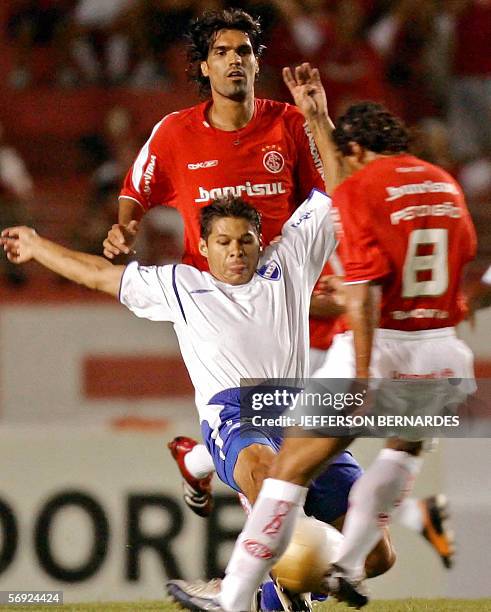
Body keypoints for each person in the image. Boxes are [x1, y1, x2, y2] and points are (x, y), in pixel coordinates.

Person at [3, 190, 393, 611]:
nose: (236, 252)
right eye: (223, 243)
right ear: (204, 248)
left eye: (245, 240)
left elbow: (338, 190)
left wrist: (318, 121)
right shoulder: (180, 284)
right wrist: (37, 246)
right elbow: (99, 273)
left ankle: (275, 588)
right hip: (235, 417)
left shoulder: (291, 260)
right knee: (267, 479)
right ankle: (249, 587)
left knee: (375, 556)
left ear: (261, 240)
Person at [182, 64, 476, 611]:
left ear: (358, 149)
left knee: (287, 469)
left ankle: (235, 593)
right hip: (441, 353)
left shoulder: (366, 190)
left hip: (373, 349)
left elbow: (360, 287)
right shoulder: (445, 184)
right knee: (399, 460)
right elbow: (462, 270)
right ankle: (344, 565)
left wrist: (362, 372)